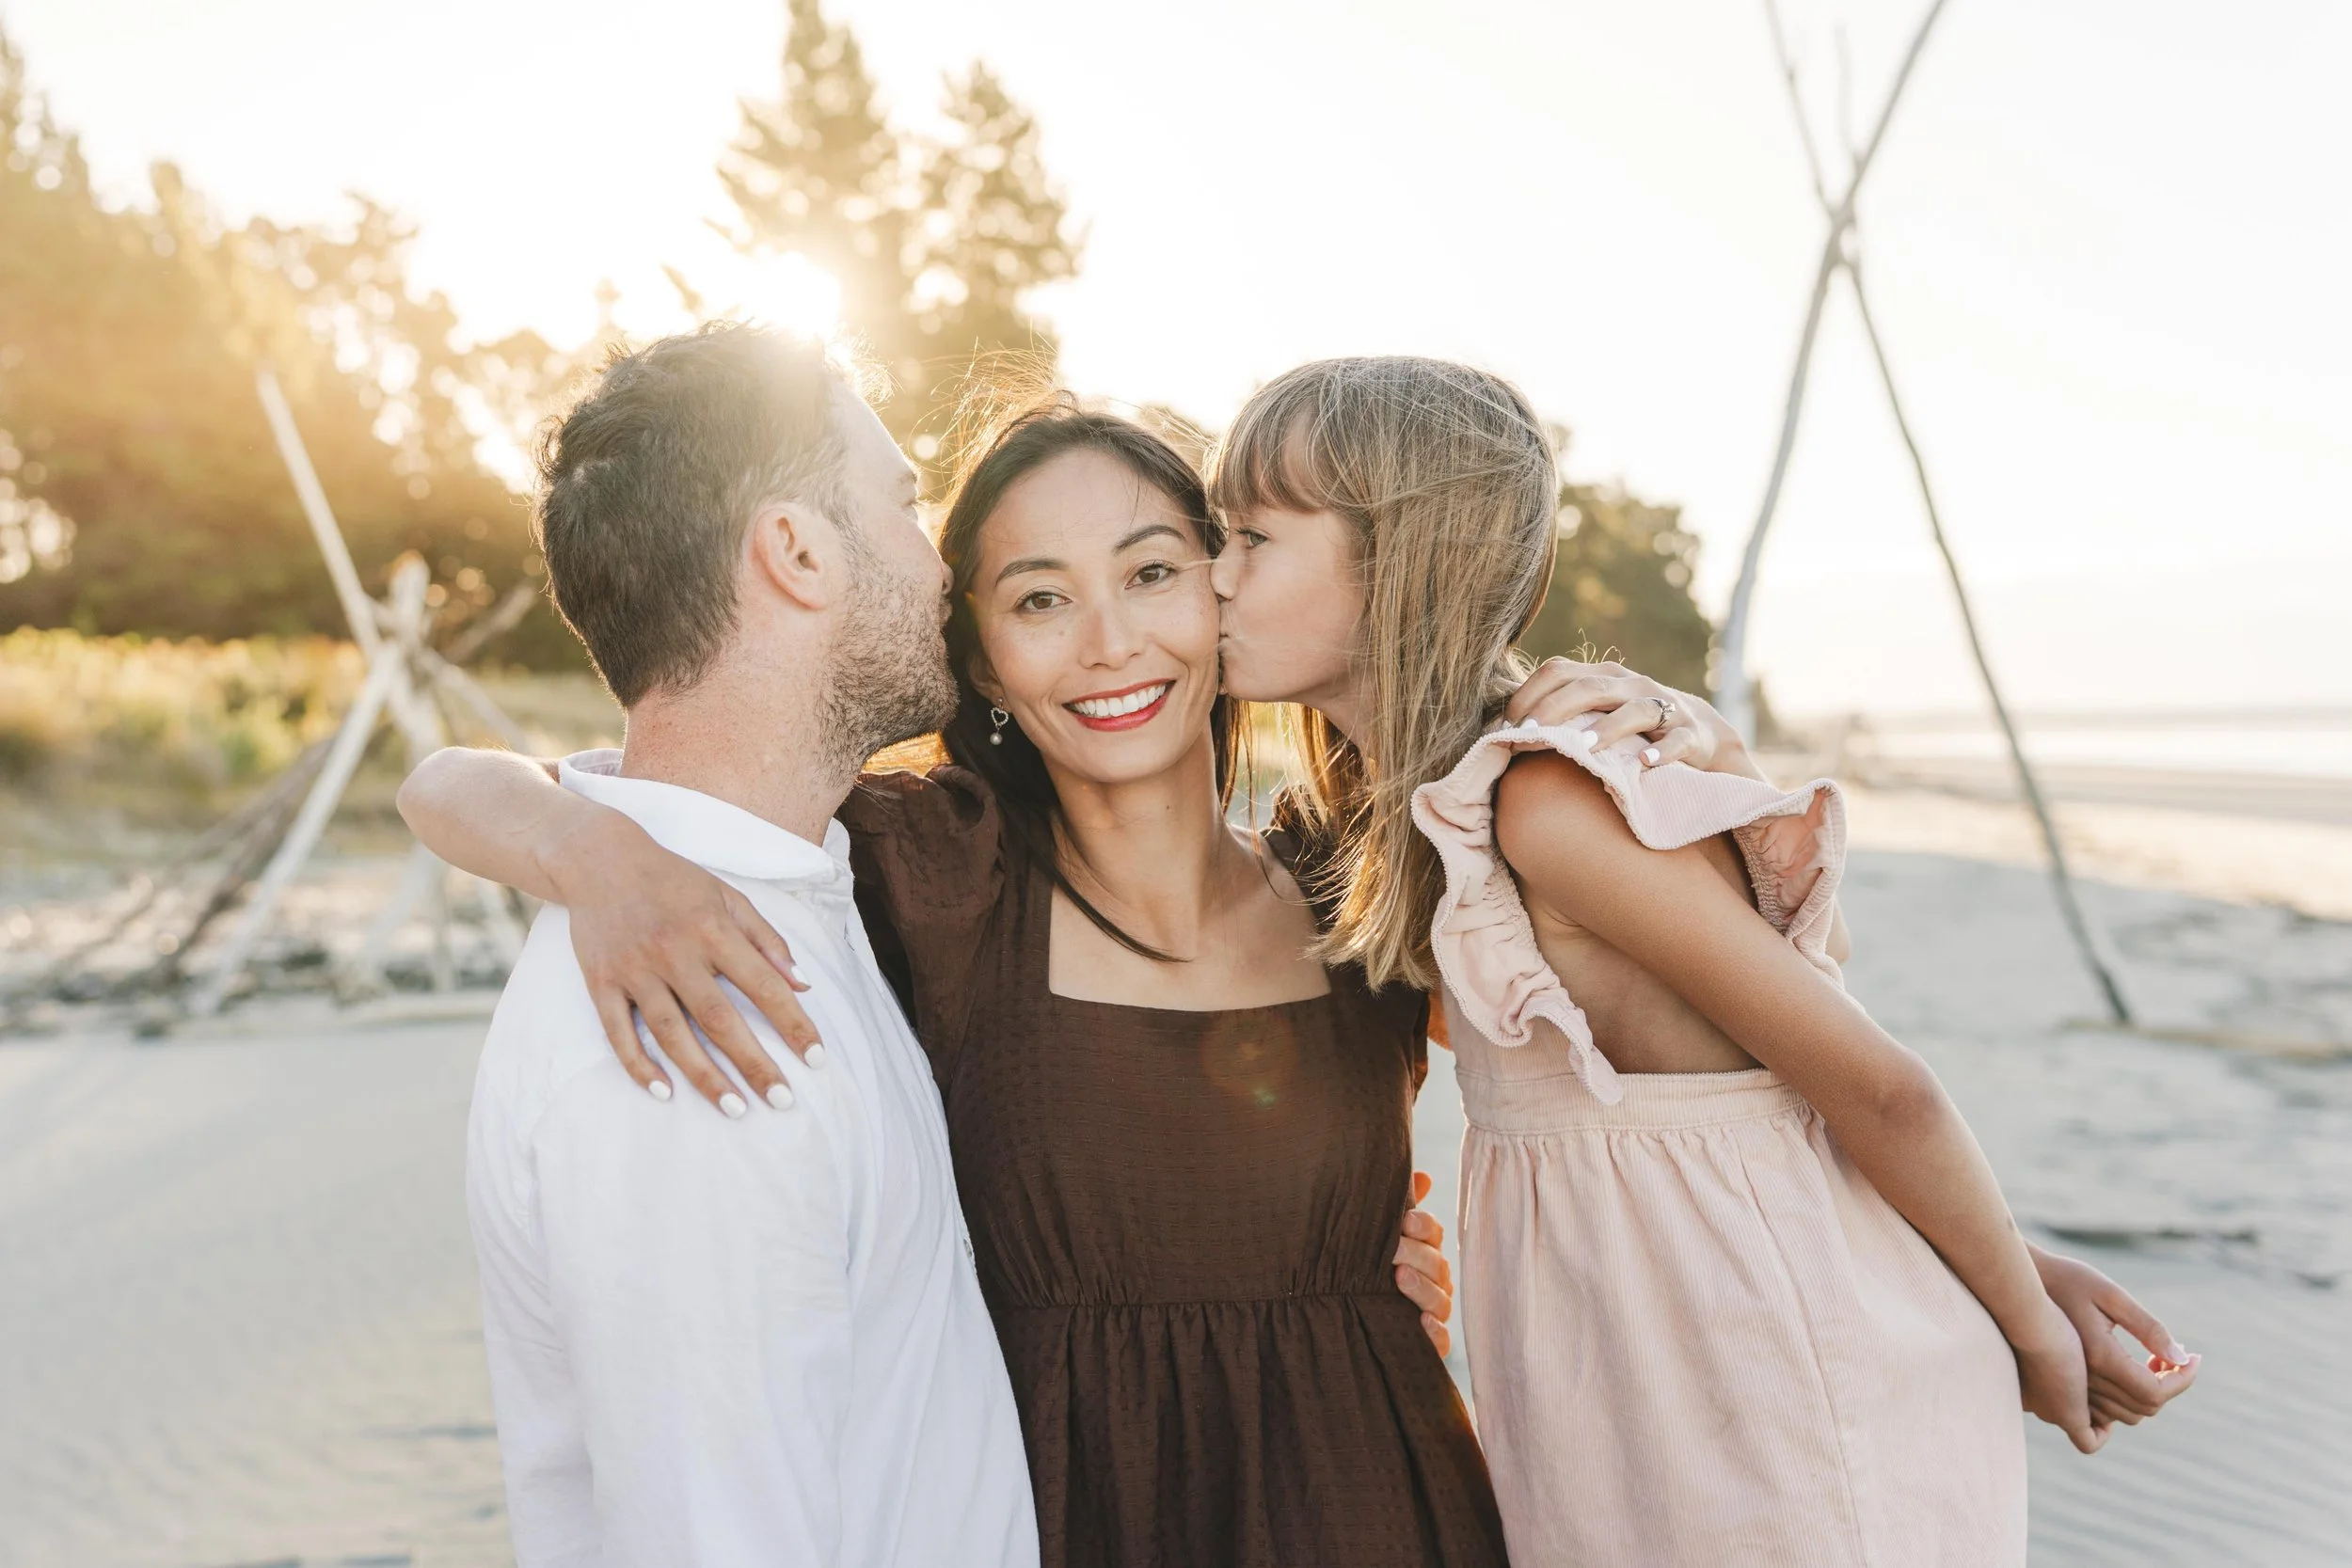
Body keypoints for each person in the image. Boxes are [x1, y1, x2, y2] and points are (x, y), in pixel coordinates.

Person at [405, 392, 1500, 1566]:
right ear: (975, 652)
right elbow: (463, 783)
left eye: (1150, 573)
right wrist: (587, 849)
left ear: (1221, 588)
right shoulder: (935, 872)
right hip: (1077, 1509)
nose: (1107, 641)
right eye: (1038, 597)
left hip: (1377, 1495)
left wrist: (1633, 731)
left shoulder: (1356, 877)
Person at [1200, 355, 2202, 1564]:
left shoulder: (1547, 807)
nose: (1213, 574)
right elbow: (1748, 1116)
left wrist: (2030, 1321)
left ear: (1401, 554)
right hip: (1638, 1396)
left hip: (1772, 1392)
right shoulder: (1426, 823)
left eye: (1251, 534)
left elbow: (1873, 1084)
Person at [457, 323, 1038, 1566]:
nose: (947, 564)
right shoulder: (691, 1019)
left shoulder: (762, 890)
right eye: (906, 501)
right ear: (795, 549)